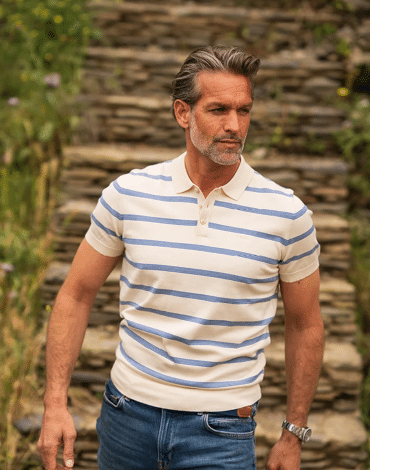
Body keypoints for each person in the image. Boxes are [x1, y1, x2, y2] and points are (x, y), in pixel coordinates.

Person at [38, 45, 324, 470]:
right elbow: (75, 294)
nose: (234, 125)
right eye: (219, 110)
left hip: (223, 432)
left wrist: (293, 433)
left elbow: (306, 325)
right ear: (182, 113)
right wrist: (55, 403)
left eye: (244, 111)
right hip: (126, 417)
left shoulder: (287, 214)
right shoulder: (128, 194)